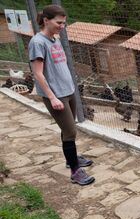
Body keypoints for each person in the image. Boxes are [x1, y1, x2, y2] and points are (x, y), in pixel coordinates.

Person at [28, 5, 94, 185]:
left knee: (68, 130)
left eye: (64, 23)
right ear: (46, 20)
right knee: (71, 131)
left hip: (68, 91)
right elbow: (38, 74)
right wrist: (52, 97)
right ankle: (75, 171)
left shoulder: (54, 39)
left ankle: (70, 159)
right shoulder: (38, 42)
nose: (62, 26)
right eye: (59, 23)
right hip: (57, 95)